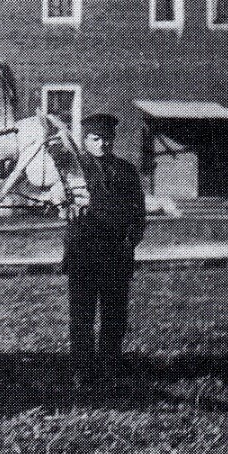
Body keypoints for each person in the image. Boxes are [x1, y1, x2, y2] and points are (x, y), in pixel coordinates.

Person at [62, 112, 146, 391]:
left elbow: (137, 213)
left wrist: (131, 240)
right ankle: (82, 370)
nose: (103, 145)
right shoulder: (74, 170)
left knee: (114, 315)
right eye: (96, 139)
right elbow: (65, 204)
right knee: (82, 315)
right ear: (85, 140)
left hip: (117, 253)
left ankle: (110, 364)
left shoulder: (126, 171)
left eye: (108, 140)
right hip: (83, 253)